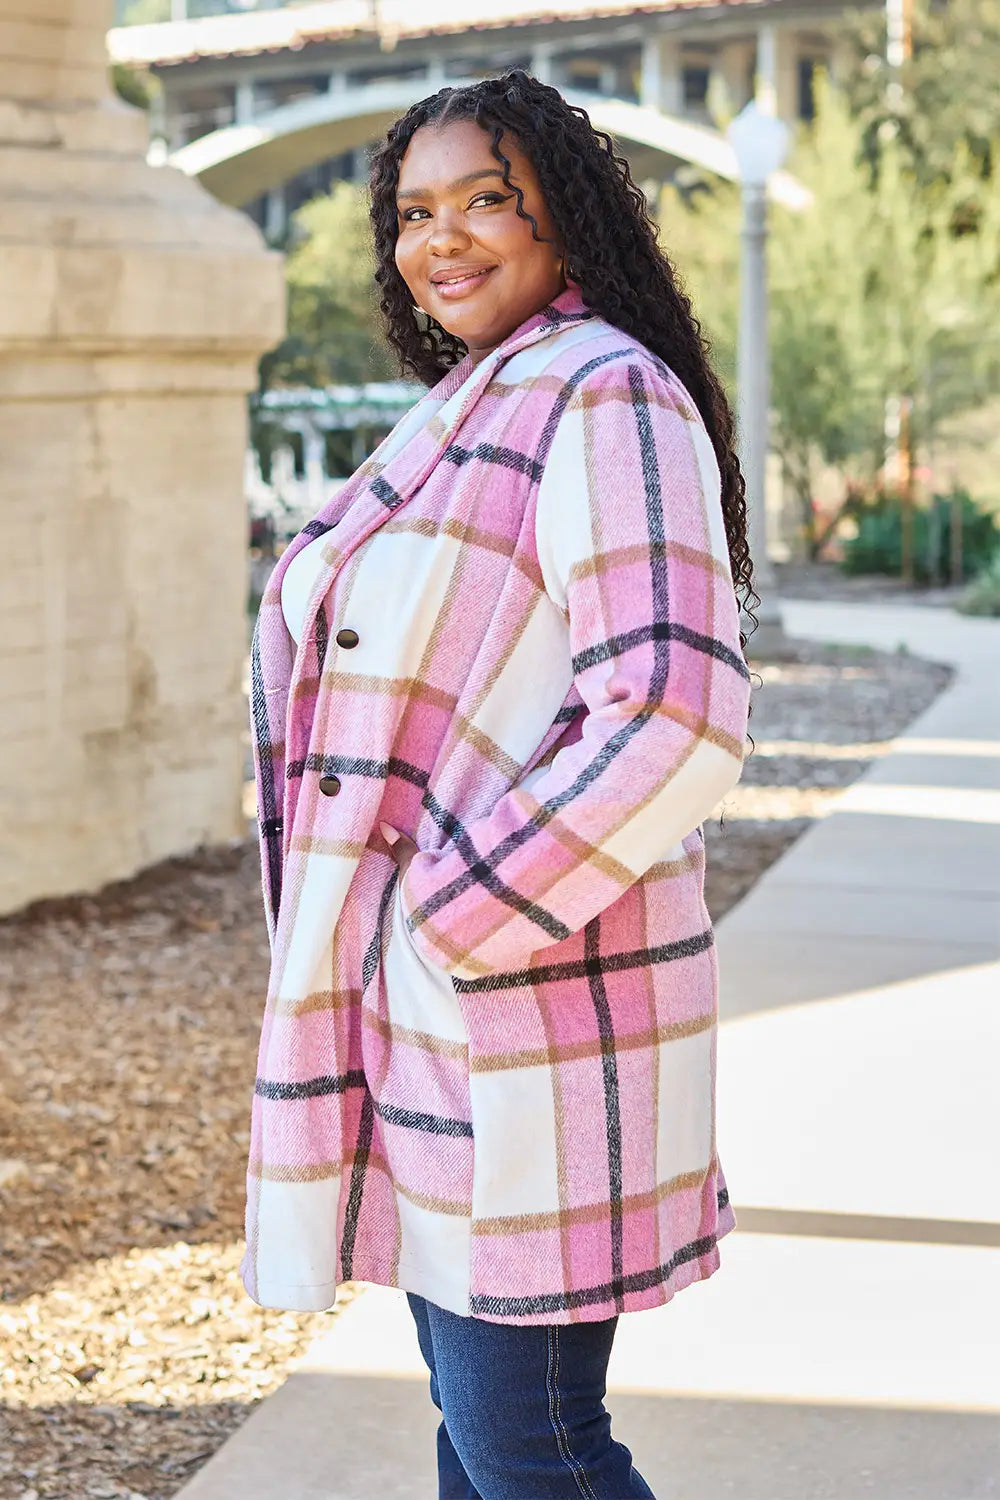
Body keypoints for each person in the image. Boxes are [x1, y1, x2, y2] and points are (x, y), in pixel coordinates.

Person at [243, 70, 753, 1500]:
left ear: (568, 224)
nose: (441, 238)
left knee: (535, 1446)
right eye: (415, 210)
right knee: (487, 1439)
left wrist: (444, 927)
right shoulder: (475, 399)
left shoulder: (605, 392)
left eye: (487, 201)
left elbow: (673, 711)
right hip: (442, 1019)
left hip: (517, 1008)